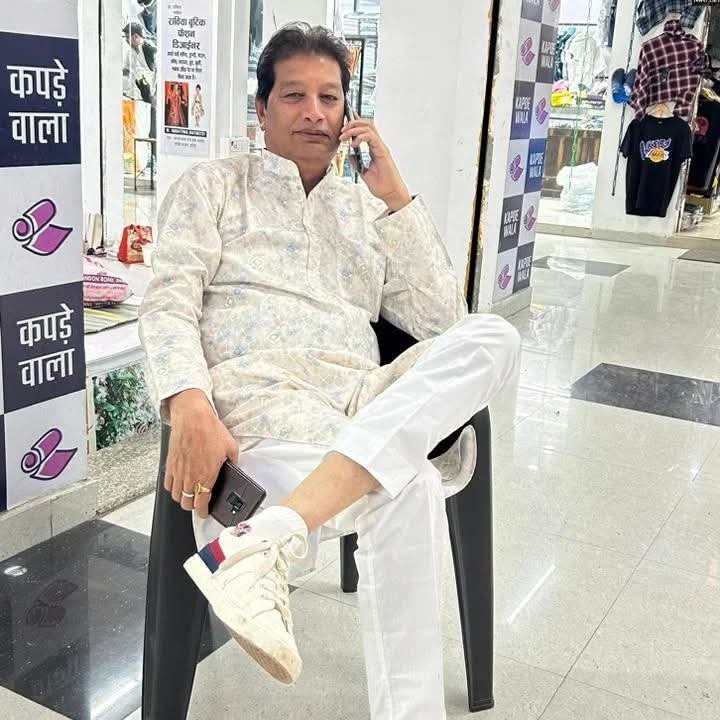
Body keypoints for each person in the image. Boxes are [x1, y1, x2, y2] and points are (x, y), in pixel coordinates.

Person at [139, 22, 520, 720]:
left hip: (361, 402)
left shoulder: (365, 212)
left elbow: (443, 320)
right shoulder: (212, 188)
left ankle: (272, 536)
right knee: (407, 483)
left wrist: (397, 199)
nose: (314, 112)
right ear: (262, 110)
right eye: (294, 96)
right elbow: (166, 303)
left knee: (494, 336)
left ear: (348, 112)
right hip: (261, 419)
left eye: (329, 97)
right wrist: (187, 401)